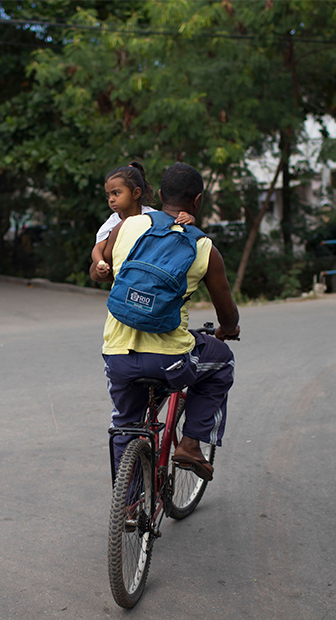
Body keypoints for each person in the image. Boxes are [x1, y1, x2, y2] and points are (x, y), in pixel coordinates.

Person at [98, 162, 240, 481]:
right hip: (169, 360)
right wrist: (228, 330)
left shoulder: (127, 226)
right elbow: (228, 314)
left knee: (125, 425)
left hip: (117, 355)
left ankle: (129, 507)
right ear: (198, 200)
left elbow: (105, 273)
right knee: (221, 362)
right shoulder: (204, 248)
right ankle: (190, 444)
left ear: (159, 195)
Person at [91, 162, 193, 280]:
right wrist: (100, 263)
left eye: (116, 193)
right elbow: (98, 248)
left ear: (136, 193)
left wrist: (190, 219)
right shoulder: (112, 223)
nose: (111, 200)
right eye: (108, 195)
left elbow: (174, 224)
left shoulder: (152, 215)